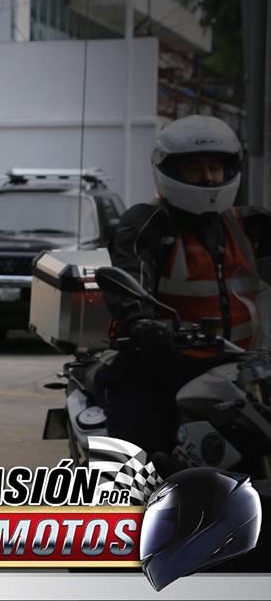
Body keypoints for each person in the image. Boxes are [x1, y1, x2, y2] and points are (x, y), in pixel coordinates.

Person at [98, 115, 270, 454]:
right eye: (195, 168)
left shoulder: (249, 225)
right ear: (171, 171)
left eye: (215, 167)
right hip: (160, 367)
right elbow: (131, 273)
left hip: (240, 368)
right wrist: (141, 321)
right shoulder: (147, 223)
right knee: (139, 457)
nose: (208, 177)